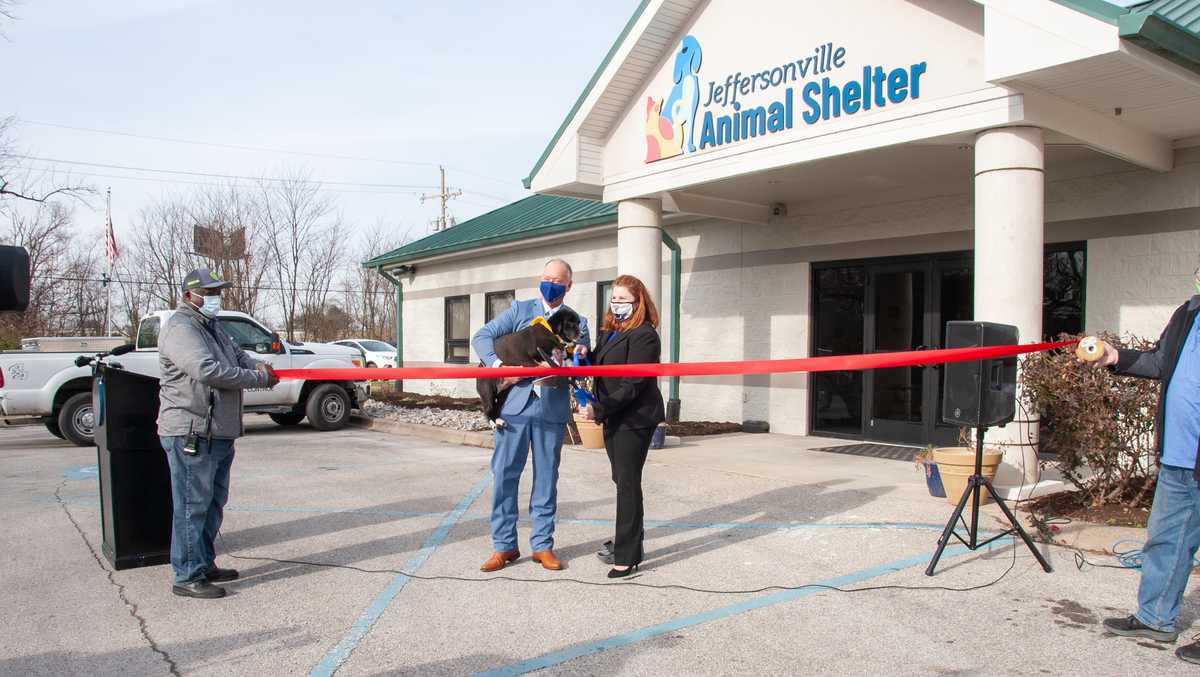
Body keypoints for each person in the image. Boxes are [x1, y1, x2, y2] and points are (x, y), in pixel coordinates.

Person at [1082, 271, 1200, 665]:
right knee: (1167, 540)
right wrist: (1115, 356)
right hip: (1179, 457)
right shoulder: (1187, 313)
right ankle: (1155, 618)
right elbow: (1161, 362)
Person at [157, 268, 279, 599]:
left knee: (212, 503)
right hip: (191, 430)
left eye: (216, 293)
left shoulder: (213, 328)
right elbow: (206, 370)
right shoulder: (181, 328)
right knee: (191, 505)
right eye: (208, 293)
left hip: (218, 432)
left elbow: (239, 358)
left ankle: (203, 563)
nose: (214, 299)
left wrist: (261, 367)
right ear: (188, 296)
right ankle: (186, 574)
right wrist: (257, 379)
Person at [472, 259, 589, 572]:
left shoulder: (577, 322)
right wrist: (499, 368)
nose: (551, 284)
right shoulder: (519, 311)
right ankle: (504, 546)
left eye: (557, 281)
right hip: (513, 409)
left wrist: (579, 355)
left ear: (568, 286)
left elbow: (583, 356)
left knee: (546, 479)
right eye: (546, 278)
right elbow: (481, 337)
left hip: (551, 409)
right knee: (505, 476)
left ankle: (542, 545)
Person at [578, 275, 665, 578]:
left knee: (627, 484)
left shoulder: (645, 336)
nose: (616, 305)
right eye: (613, 299)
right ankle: (632, 544)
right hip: (614, 416)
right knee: (622, 479)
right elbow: (601, 363)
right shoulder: (611, 332)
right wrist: (583, 355)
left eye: (623, 300)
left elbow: (634, 384)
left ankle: (626, 556)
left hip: (635, 418)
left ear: (638, 302)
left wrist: (599, 408)